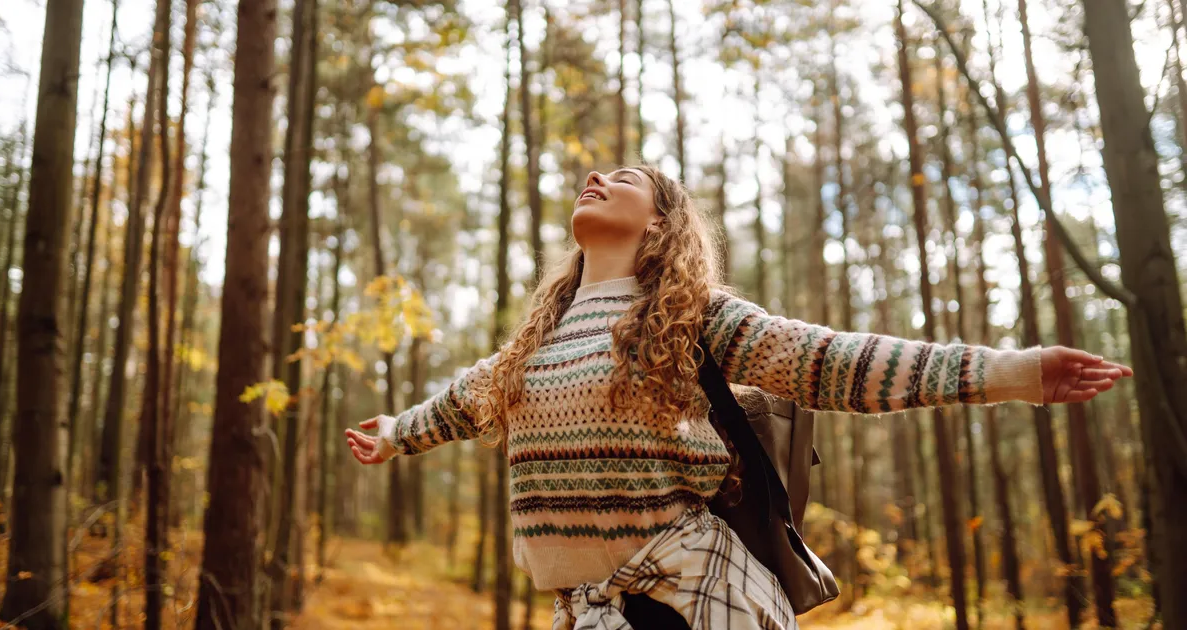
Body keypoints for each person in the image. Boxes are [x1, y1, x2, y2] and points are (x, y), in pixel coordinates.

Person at [345, 165, 1131, 630]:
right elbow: (457, 404)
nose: (598, 178)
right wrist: (394, 434)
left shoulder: (692, 316)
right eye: (596, 174)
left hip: (698, 596)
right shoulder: (534, 346)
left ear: (659, 226)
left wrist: (1011, 372)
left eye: (628, 180)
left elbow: (831, 363)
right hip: (584, 611)